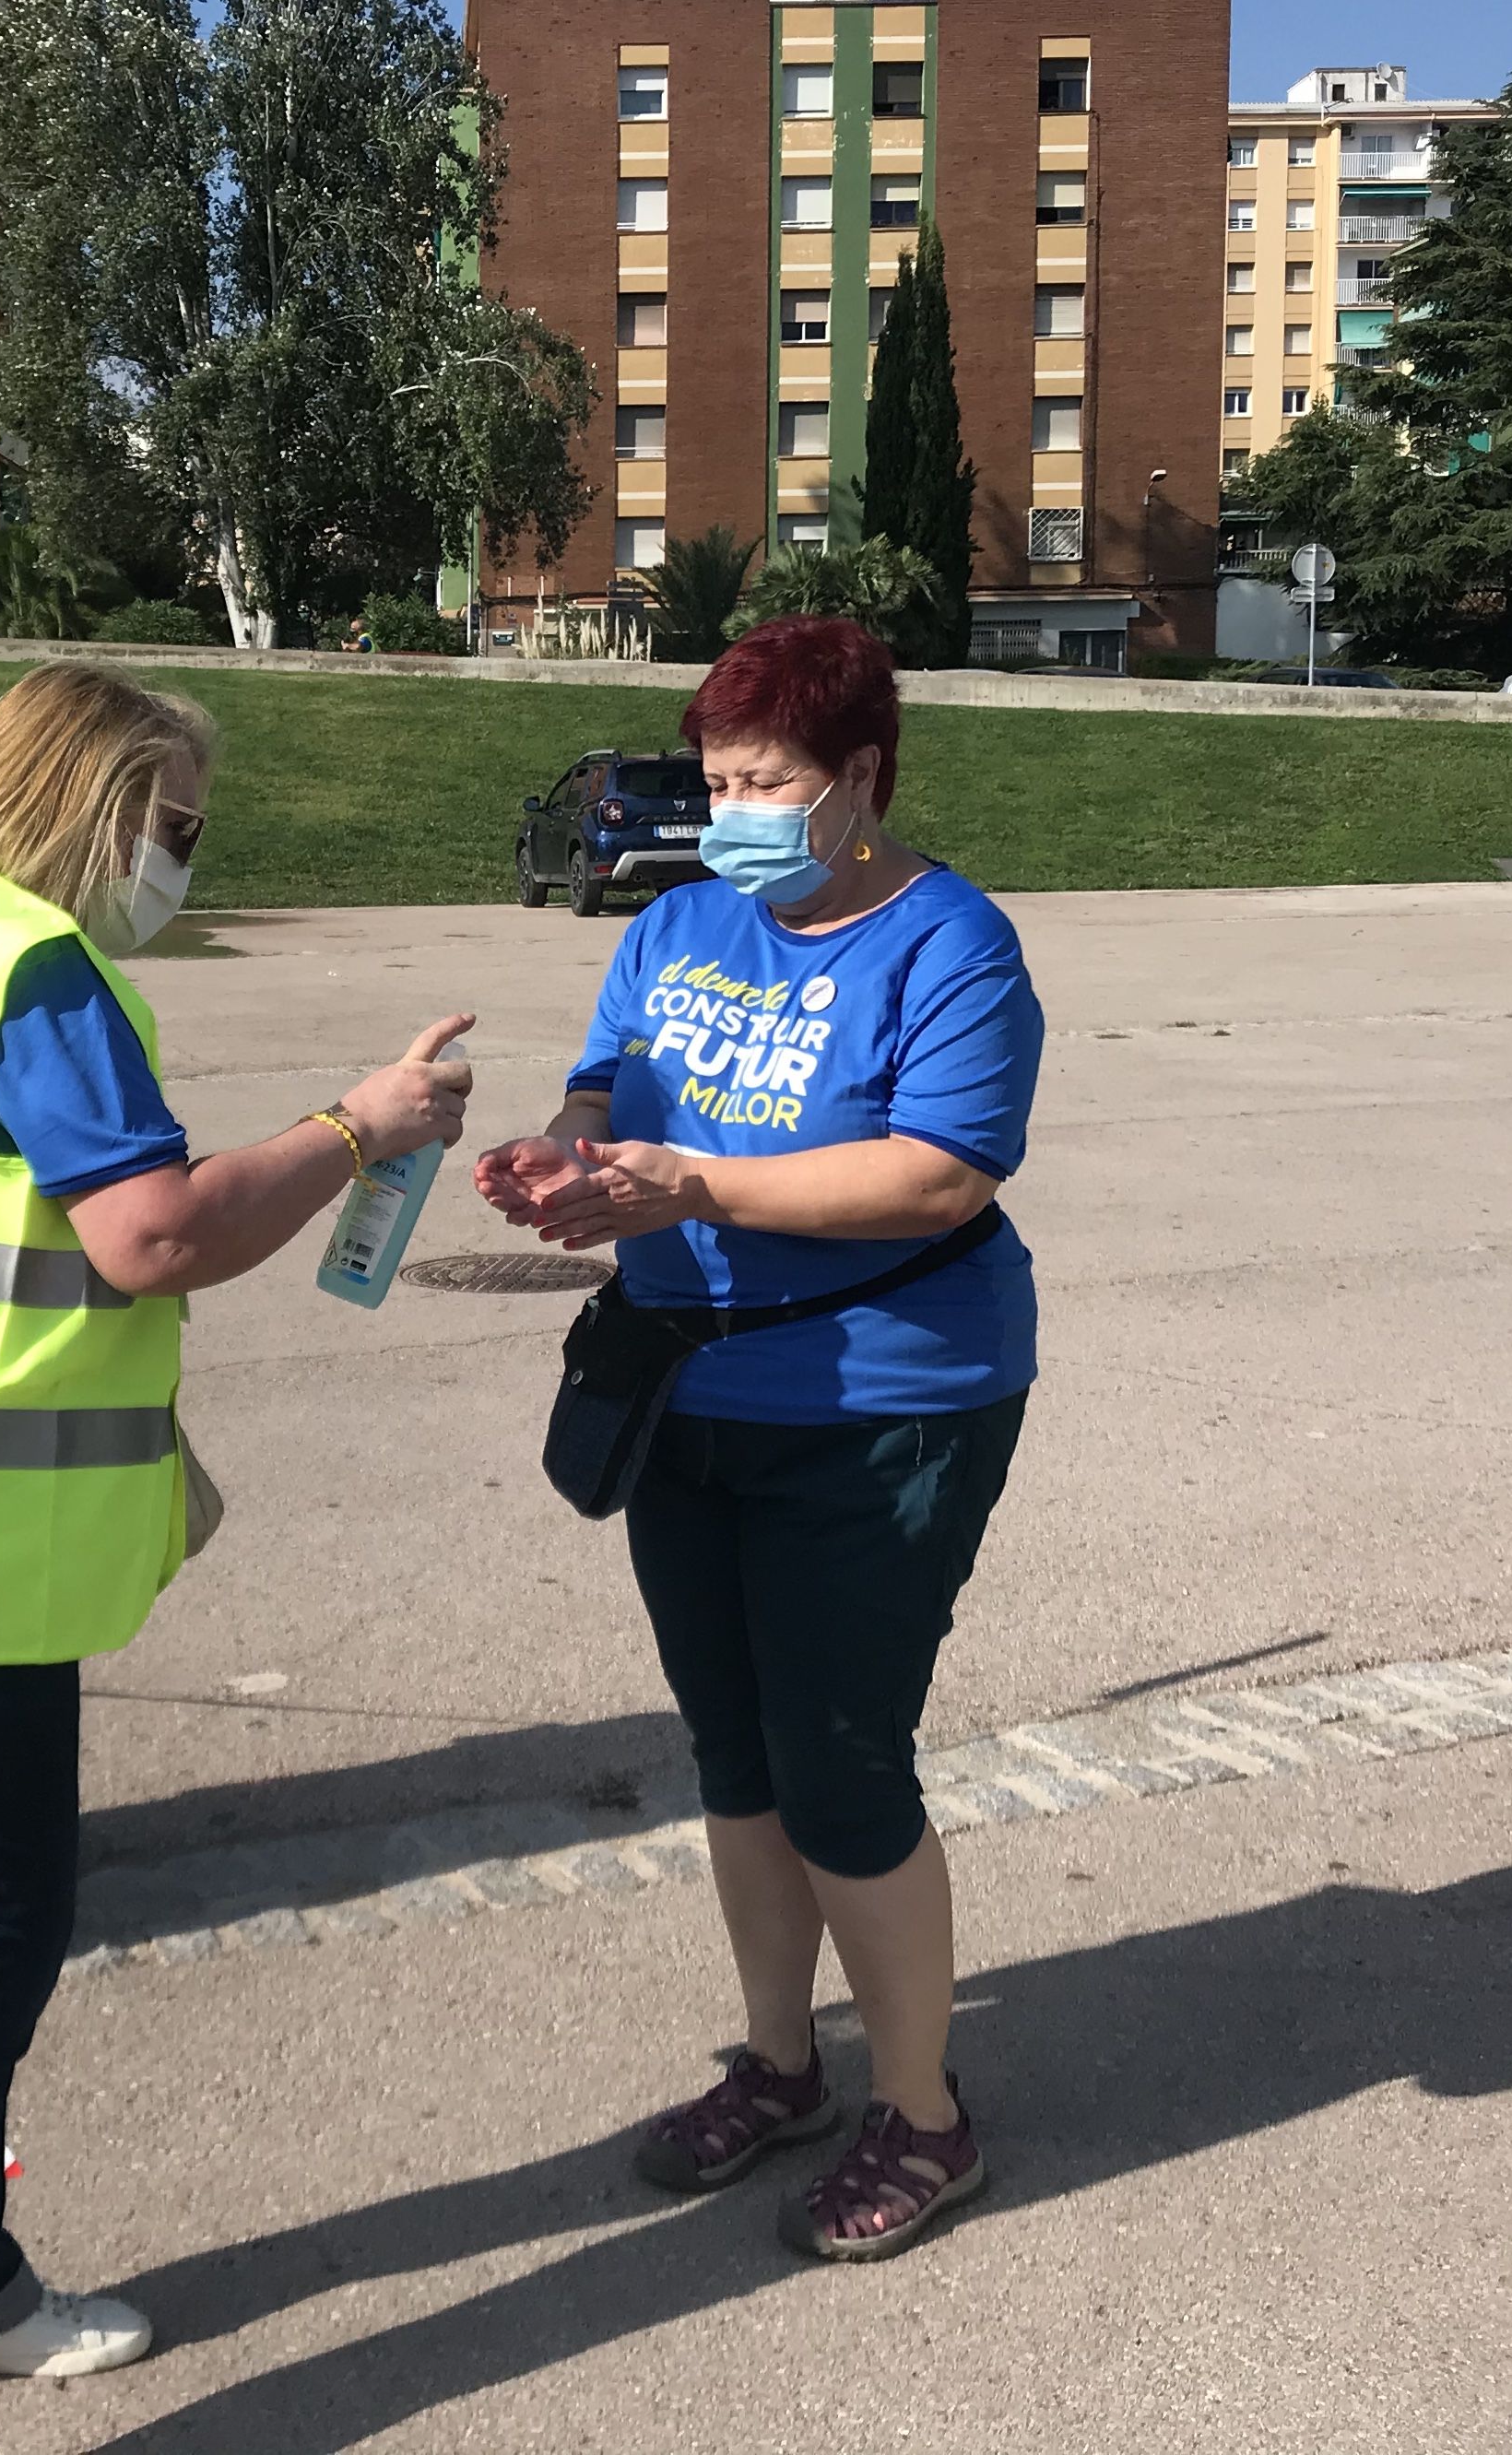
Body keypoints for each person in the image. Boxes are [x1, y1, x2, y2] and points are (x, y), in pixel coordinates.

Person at [0, 662, 474, 2455]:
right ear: (88, 803)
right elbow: (150, 1232)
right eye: (174, 825)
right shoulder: (32, 972)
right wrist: (358, 1128)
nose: (183, 861)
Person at [472, 614, 1043, 2264]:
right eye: (714, 776)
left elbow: (939, 1174)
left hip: (880, 1406)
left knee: (839, 1765)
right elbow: (608, 1086)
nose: (726, 807)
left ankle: (925, 2113)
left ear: (856, 776)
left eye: (761, 779)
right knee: (734, 1759)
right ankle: (784, 2060)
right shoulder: (675, 923)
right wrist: (566, 1151)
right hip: (683, 1390)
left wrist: (695, 1183)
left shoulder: (948, 942)